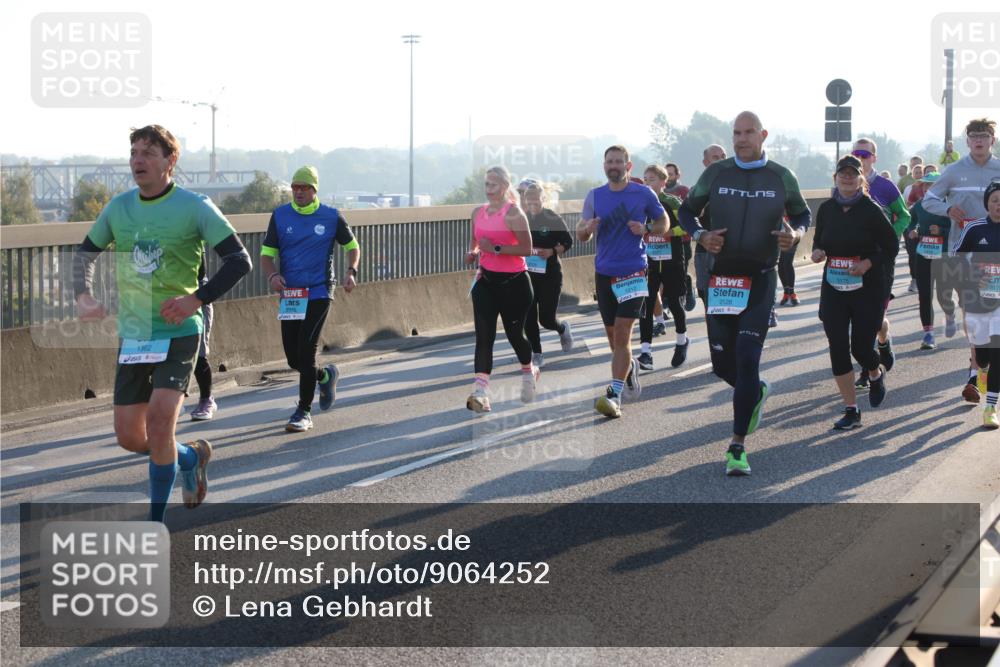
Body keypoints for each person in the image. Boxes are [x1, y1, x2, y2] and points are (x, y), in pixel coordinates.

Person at [73, 124, 252, 522]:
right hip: (135, 335)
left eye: (149, 153)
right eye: (134, 152)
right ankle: (190, 456)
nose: (138, 160)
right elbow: (83, 256)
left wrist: (196, 300)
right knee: (130, 437)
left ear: (170, 161)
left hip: (180, 333)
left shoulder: (195, 206)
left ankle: (156, 520)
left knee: (159, 420)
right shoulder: (118, 207)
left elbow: (240, 261)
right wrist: (83, 296)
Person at [678, 111, 811, 476]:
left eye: (748, 132)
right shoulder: (717, 174)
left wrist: (795, 235)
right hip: (722, 281)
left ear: (763, 135)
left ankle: (737, 446)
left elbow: (802, 214)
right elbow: (686, 212)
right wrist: (701, 236)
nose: (741, 139)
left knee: (748, 356)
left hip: (761, 279)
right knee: (724, 364)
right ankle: (755, 391)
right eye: (736, 132)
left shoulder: (782, 176)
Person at [260, 166, 358, 432]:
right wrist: (272, 277)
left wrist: (351, 271)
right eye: (295, 187)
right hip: (291, 293)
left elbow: (352, 247)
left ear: (315, 189)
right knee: (293, 358)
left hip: (319, 290)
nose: (299, 192)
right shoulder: (280, 216)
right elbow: (267, 256)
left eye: (304, 187)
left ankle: (303, 411)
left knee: (307, 348)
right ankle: (325, 376)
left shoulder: (330, 216)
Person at [578, 145, 669, 418]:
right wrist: (587, 229)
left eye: (618, 161)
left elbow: (662, 221)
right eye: (609, 162)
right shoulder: (594, 196)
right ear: (604, 166)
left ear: (628, 167)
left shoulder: (643, 193)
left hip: (633, 272)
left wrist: (648, 229)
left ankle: (614, 395)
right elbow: (581, 233)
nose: (613, 166)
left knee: (622, 333)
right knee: (613, 340)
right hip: (604, 272)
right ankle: (629, 369)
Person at [812, 155, 898, 430]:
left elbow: (890, 246)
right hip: (834, 286)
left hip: (867, 286)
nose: (847, 178)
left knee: (861, 347)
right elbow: (818, 240)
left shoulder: (871, 210)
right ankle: (851, 409)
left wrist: (868, 262)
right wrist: (817, 251)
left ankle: (875, 372)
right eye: (842, 174)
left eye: (853, 174)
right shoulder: (826, 209)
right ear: (835, 178)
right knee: (837, 346)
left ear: (861, 179)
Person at [923, 118, 1000, 402]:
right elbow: (928, 200)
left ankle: (980, 370)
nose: (979, 140)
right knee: (972, 311)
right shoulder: (954, 171)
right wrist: (947, 209)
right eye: (974, 136)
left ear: (992, 140)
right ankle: (975, 371)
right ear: (967, 141)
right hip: (965, 252)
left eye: (984, 135)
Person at [464, 166, 537, 413]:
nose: (488, 190)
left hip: (515, 283)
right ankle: (481, 393)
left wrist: (495, 248)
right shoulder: (477, 213)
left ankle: (529, 371)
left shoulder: (514, 213)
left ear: (505, 187)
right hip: (486, 282)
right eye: (486, 184)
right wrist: (473, 252)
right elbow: (476, 241)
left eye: (493, 185)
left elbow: (527, 249)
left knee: (515, 335)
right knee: (484, 337)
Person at [849, 138, 911, 391]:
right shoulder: (845, 185)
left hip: (882, 259)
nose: (860, 158)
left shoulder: (885, 187)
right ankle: (868, 368)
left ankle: (882, 343)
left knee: (875, 319)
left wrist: (889, 238)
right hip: (854, 260)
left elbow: (905, 216)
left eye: (865, 154)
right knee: (857, 316)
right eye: (856, 153)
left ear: (874, 157)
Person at [952, 181, 1000, 429]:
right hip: (978, 301)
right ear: (987, 204)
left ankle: (991, 407)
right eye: (995, 200)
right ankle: (982, 369)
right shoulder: (974, 228)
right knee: (982, 355)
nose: (999, 205)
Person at [637, 164, 689, 371]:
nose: (647, 183)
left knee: (675, 303)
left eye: (652, 179)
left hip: (672, 260)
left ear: (663, 182)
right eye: (645, 179)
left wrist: (668, 233)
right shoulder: (640, 204)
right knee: (646, 306)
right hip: (648, 262)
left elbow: (686, 226)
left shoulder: (672, 201)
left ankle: (681, 340)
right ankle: (646, 352)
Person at [520, 180, 575, 368]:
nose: (533, 204)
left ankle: (562, 328)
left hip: (550, 275)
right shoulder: (523, 218)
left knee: (546, 319)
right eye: (529, 201)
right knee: (528, 315)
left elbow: (568, 241)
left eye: (536, 200)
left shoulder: (551, 218)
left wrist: (552, 251)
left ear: (543, 199)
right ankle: (537, 353)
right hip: (527, 275)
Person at [906, 171, 956, 349]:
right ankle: (928, 334)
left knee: (944, 295)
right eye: (926, 185)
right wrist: (913, 230)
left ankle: (950, 314)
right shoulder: (919, 206)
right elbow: (911, 222)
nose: (929, 188)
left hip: (943, 256)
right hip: (924, 254)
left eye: (933, 185)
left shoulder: (949, 206)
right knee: (924, 295)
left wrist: (941, 231)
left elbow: (959, 228)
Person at [693, 144, 727, 309]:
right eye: (716, 157)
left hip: (732, 253)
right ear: (705, 162)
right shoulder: (698, 190)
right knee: (707, 298)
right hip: (704, 253)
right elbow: (688, 218)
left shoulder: (739, 186)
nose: (721, 160)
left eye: (723, 156)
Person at [665, 162, 696, 310]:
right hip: (664, 240)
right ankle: (668, 301)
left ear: (678, 175)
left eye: (671, 174)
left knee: (679, 271)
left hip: (682, 240)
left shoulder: (683, 191)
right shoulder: (658, 192)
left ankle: (686, 288)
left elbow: (689, 213)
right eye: (665, 174)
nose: (668, 177)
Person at [190, 255, 217, 420]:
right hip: (166, 296)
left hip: (196, 294)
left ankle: (206, 400)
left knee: (198, 353)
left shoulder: (190, 236)